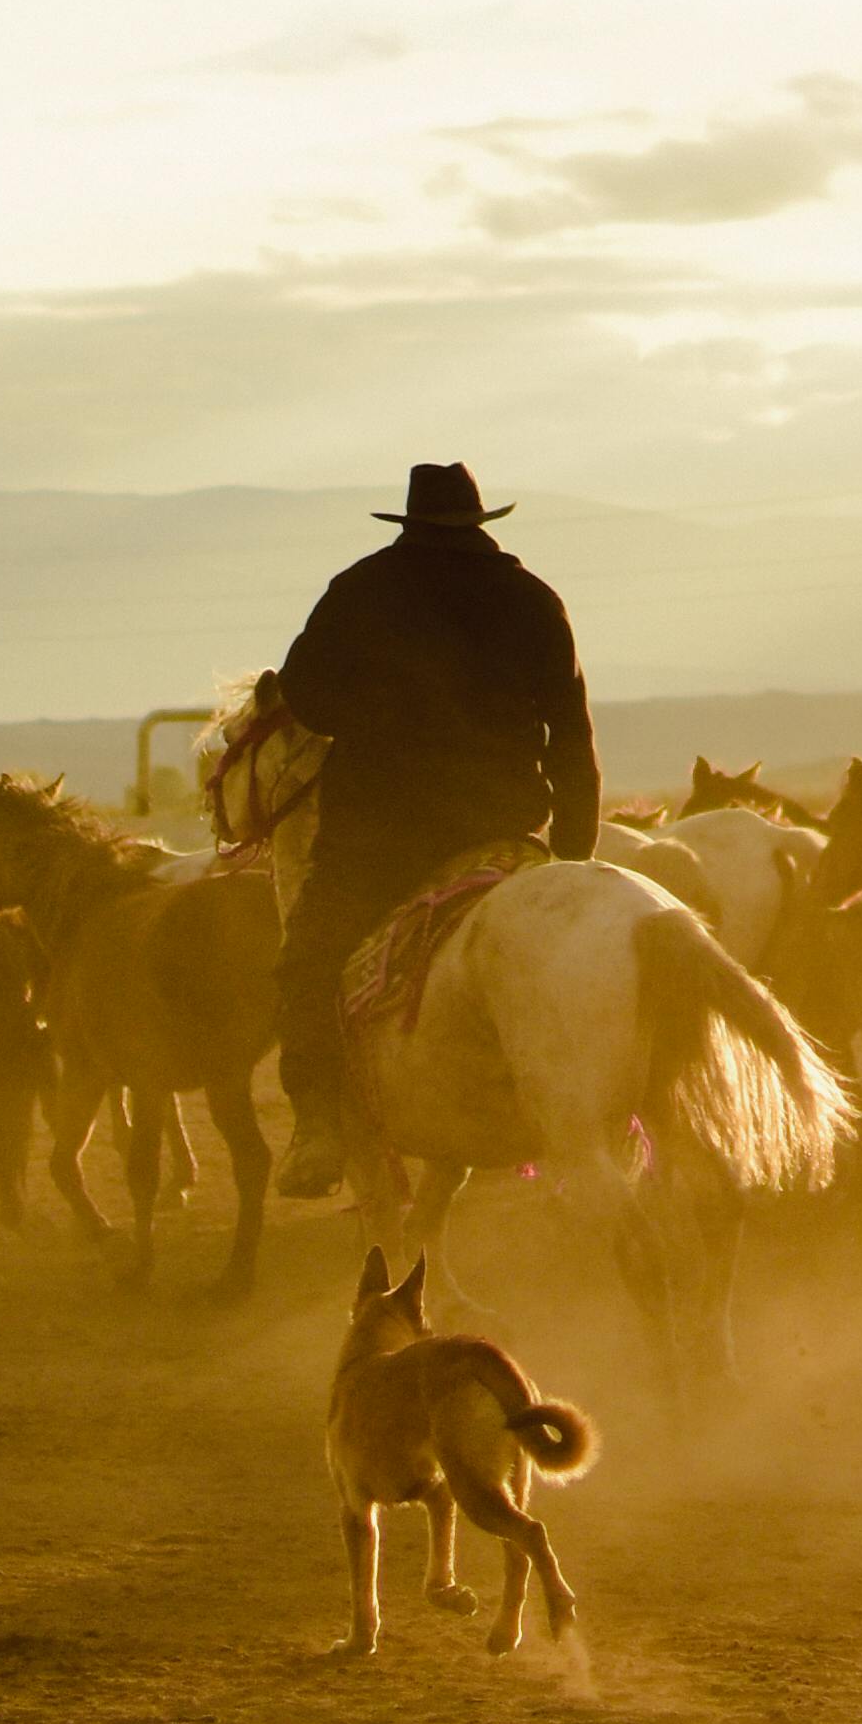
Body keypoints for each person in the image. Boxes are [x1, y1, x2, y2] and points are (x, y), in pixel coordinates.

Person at [269, 462, 600, 1200]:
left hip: (380, 840)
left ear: (410, 524)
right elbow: (572, 736)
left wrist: (377, 711)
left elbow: (305, 700)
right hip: (504, 832)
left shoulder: (361, 591)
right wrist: (575, 857)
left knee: (308, 963)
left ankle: (319, 1127)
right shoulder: (533, 598)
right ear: (479, 523)